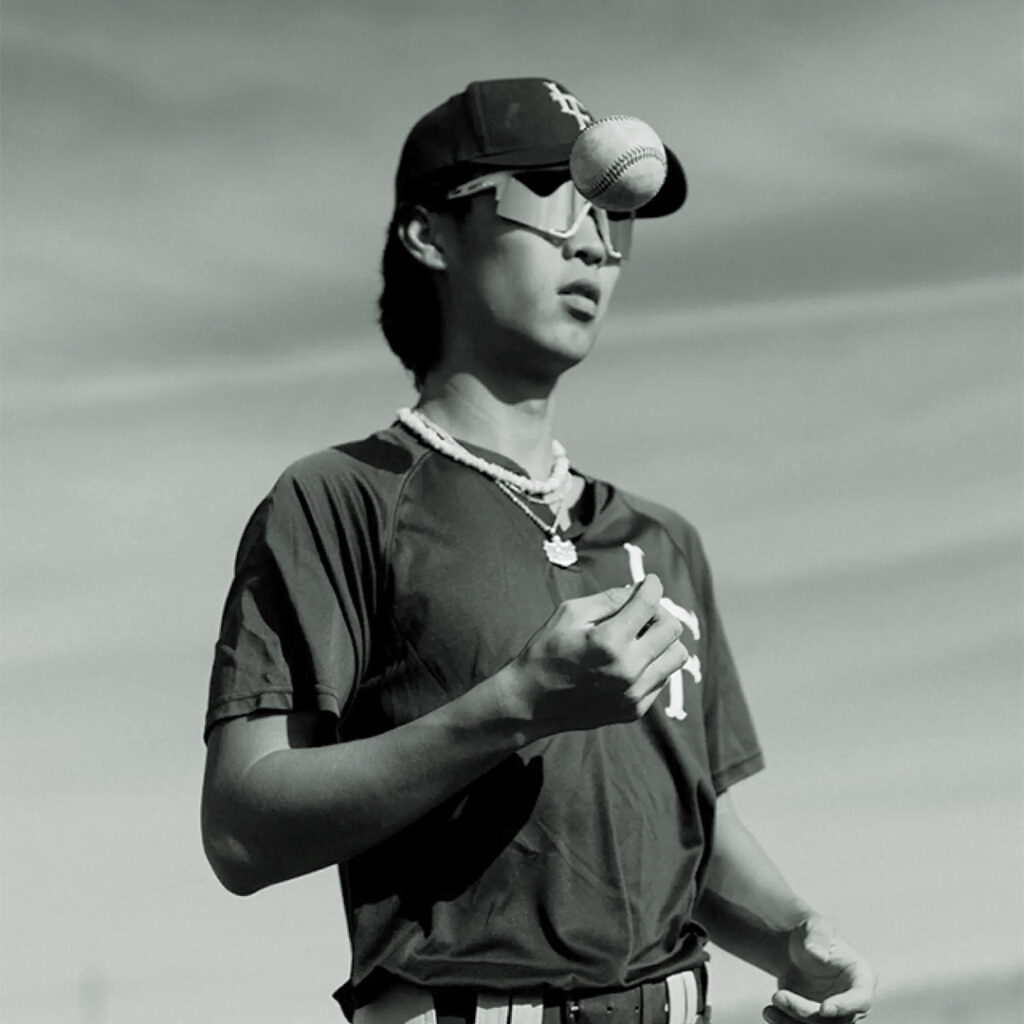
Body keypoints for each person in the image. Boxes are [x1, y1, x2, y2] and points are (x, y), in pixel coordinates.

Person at [201, 78, 876, 1024]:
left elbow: (683, 823)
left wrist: (796, 934)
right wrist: (513, 707)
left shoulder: (661, 540)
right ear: (431, 233)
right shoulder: (339, 498)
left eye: (614, 214)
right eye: (551, 198)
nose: (595, 241)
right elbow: (240, 830)